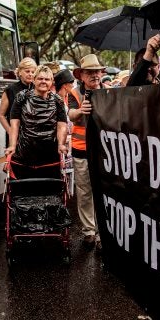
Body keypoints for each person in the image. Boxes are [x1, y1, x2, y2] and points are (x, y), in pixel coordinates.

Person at [5, 64, 68, 179]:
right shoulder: (21, 97)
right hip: (25, 153)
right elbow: (14, 124)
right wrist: (12, 145)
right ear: (34, 80)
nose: (43, 82)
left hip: (50, 154)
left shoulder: (57, 100)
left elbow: (62, 125)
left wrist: (61, 144)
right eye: (40, 78)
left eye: (47, 79)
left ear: (51, 82)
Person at [69, 54, 103, 250]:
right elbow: (71, 114)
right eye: (89, 72)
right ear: (81, 75)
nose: (94, 75)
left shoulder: (108, 92)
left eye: (97, 71)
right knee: (84, 192)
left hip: (103, 151)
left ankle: (101, 233)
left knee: (102, 192)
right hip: (81, 150)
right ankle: (89, 232)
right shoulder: (75, 94)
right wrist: (81, 110)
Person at [0, 57, 37, 145]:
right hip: (15, 137)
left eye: (33, 72)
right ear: (19, 72)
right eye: (27, 71)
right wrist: (10, 131)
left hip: (34, 136)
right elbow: (1, 115)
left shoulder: (37, 89)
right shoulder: (10, 90)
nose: (30, 74)